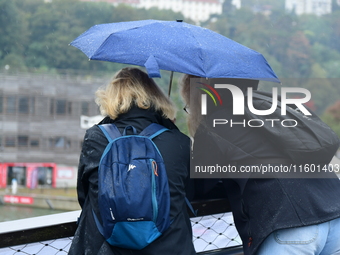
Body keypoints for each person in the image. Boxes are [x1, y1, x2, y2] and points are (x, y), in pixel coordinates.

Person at [180, 74, 340, 255]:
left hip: (288, 223)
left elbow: (201, 185)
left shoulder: (214, 123)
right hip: (334, 209)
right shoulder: (276, 106)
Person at [69, 67, 196, 255]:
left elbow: (84, 195)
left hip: (107, 248)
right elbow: (188, 193)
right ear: (156, 97)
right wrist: (170, 127)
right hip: (171, 248)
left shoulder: (95, 137)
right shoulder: (180, 142)